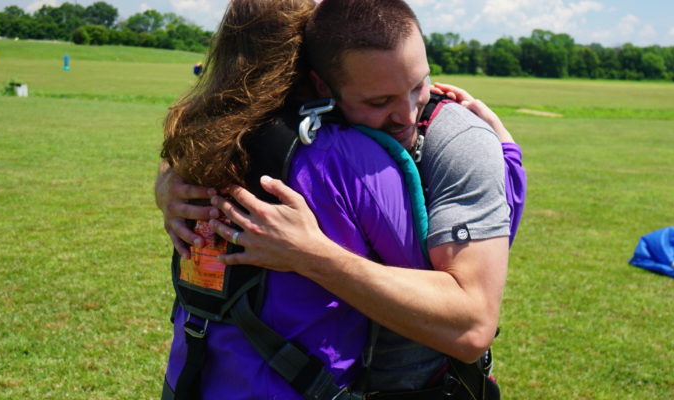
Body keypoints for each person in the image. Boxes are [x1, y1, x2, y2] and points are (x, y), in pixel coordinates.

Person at [157, 0, 525, 397]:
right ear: (318, 79)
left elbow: (468, 320)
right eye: (378, 101)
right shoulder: (346, 157)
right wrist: (166, 181)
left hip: (191, 378)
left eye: (420, 84)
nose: (407, 114)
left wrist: (503, 158)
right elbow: (455, 310)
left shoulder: (200, 139)